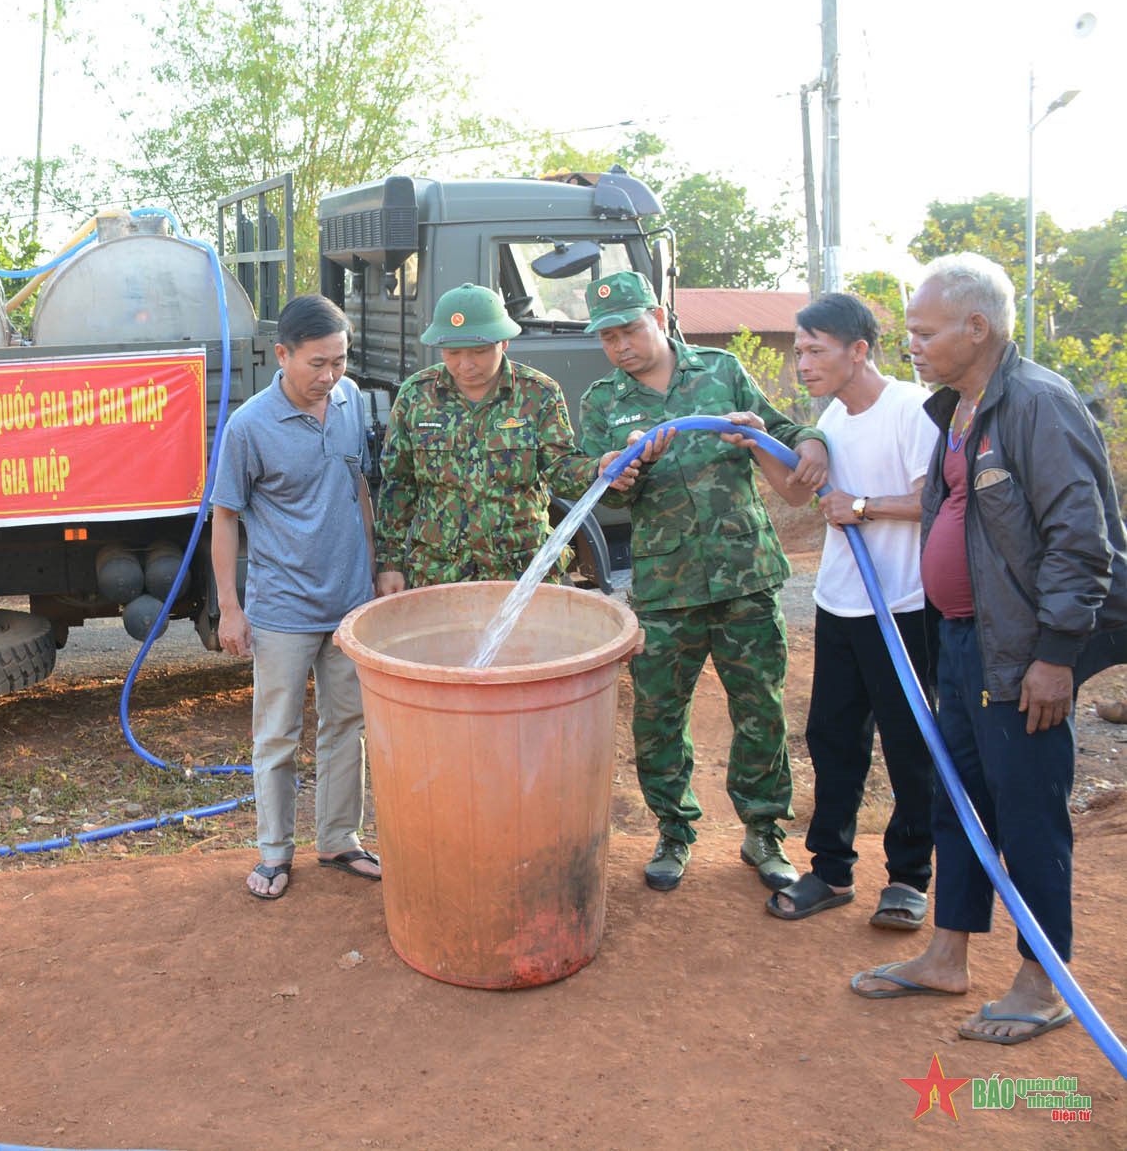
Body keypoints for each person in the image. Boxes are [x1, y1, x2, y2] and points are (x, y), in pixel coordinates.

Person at [849, 253, 1127, 1046]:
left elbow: (1085, 541)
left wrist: (1055, 656)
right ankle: (946, 953)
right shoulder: (956, 409)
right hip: (963, 646)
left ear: (979, 327)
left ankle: (1044, 979)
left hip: (1023, 657)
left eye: (924, 330)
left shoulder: (1039, 405)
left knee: (1029, 814)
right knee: (959, 805)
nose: (912, 344)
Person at [576, 270, 828, 892]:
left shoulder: (720, 371)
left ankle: (764, 833)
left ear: (659, 318)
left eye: (631, 329)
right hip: (665, 585)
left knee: (761, 711)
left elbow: (784, 430)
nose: (622, 346)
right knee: (659, 715)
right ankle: (672, 831)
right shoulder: (602, 401)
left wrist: (813, 439)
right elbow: (591, 481)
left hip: (745, 576)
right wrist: (619, 466)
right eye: (608, 337)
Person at [766, 293, 940, 927]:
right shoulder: (831, 422)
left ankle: (909, 879)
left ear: (859, 350)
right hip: (839, 602)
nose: (801, 365)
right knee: (833, 739)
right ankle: (831, 872)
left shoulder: (912, 409)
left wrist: (863, 506)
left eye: (814, 350)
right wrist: (759, 439)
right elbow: (795, 490)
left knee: (909, 745)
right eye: (798, 351)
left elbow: (937, 502)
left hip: (905, 605)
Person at [210, 293, 381, 901]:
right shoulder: (249, 426)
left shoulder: (352, 401)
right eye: (316, 363)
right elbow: (225, 517)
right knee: (277, 736)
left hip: (350, 602)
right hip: (282, 609)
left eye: (339, 360)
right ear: (282, 355)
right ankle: (275, 854)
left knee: (348, 725)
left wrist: (375, 570)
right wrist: (231, 608)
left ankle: (338, 839)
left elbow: (358, 486)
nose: (328, 376)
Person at [373, 283, 646, 593]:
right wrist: (390, 564)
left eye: (478, 351)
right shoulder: (416, 396)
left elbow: (560, 469)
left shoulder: (539, 393)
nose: (465, 364)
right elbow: (397, 485)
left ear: (503, 343)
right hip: (440, 573)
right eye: (453, 353)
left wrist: (597, 470)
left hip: (523, 571)